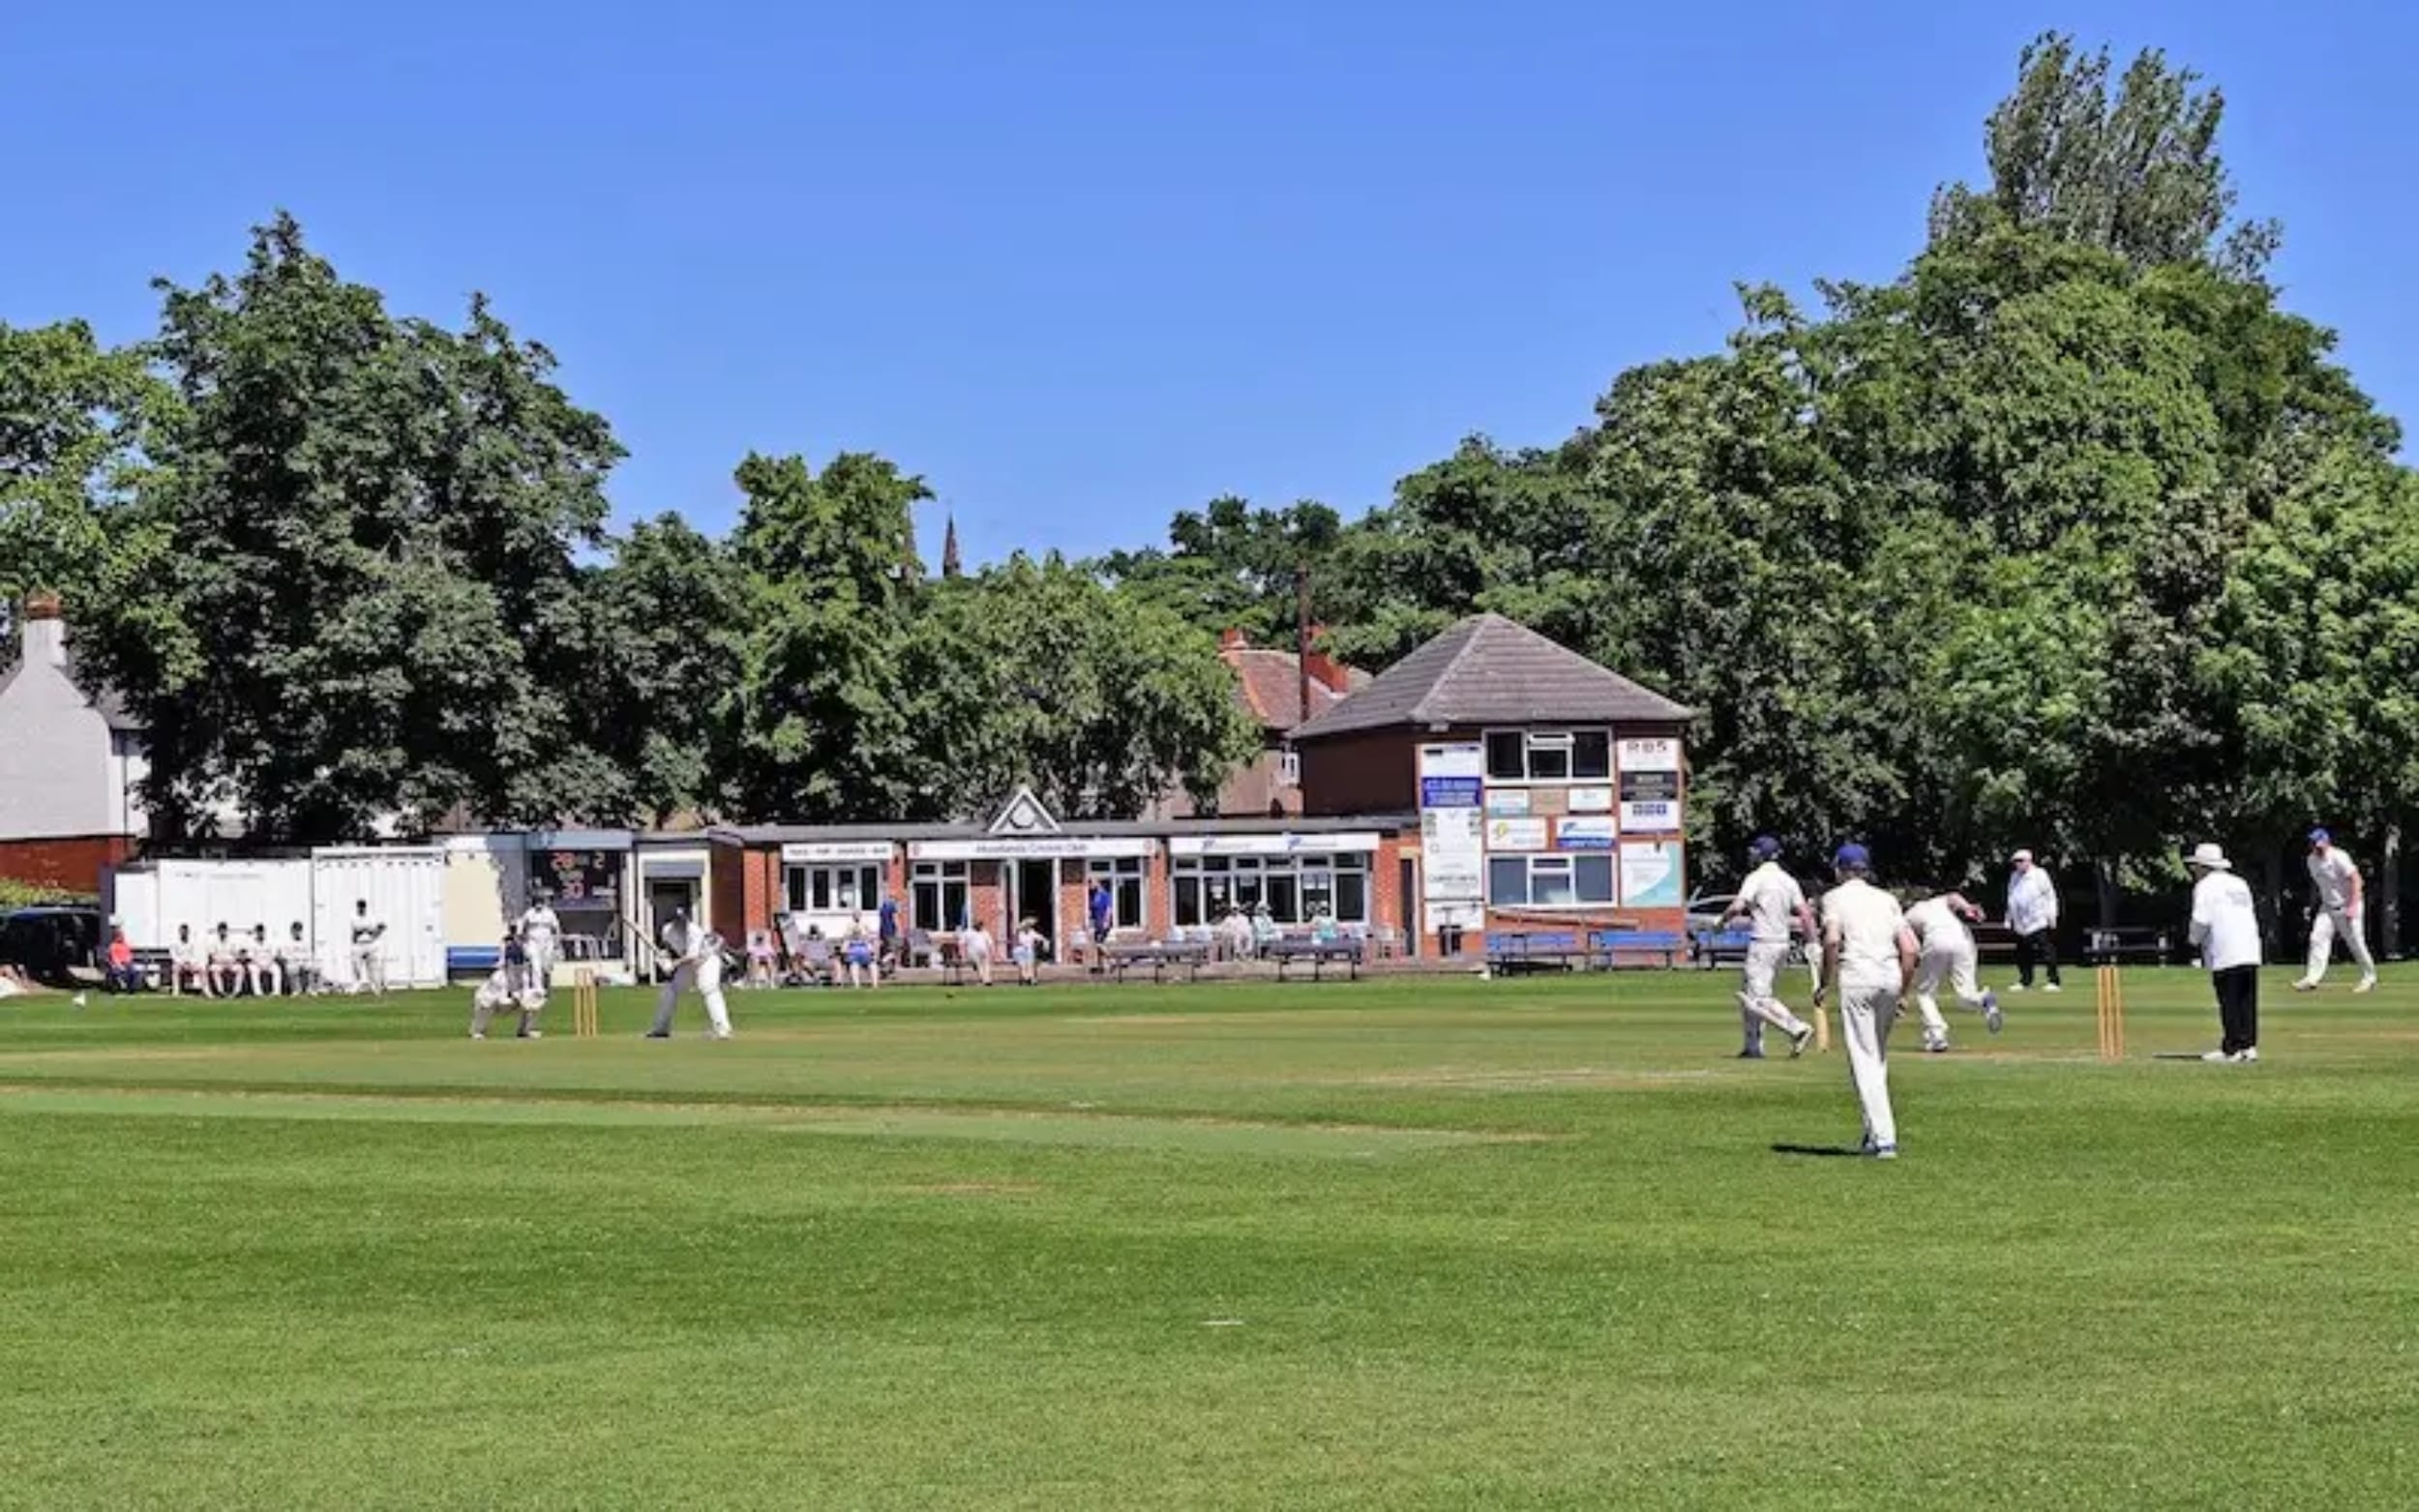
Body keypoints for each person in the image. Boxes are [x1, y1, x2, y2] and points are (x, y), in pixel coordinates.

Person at [1817, 843, 1920, 1160]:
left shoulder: (1834, 898)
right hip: (1889, 977)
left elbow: (1833, 940)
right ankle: (1872, 1134)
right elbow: (1911, 949)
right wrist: (1903, 992)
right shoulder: (1887, 899)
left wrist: (1824, 983)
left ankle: (1885, 1137)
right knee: (1875, 1057)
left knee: (1863, 1059)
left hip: (1858, 978)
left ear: (1840, 870)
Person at [1719, 836, 1819, 1060]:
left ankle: (1796, 1027)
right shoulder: (1789, 880)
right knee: (1750, 993)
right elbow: (1805, 913)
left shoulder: (1756, 878)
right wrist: (1812, 942)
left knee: (1757, 999)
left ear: (1759, 855)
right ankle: (1753, 1047)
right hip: (1782, 944)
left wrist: (1721, 922)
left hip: (1762, 943)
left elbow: (1737, 906)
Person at [2183, 842, 2262, 1063]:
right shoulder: (2239, 883)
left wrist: (2192, 941)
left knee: (2229, 1000)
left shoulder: (2205, 886)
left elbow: (2201, 919)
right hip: (2249, 947)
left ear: (2203, 867)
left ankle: (2232, 1048)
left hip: (2225, 949)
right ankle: (2249, 1046)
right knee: (2247, 999)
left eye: (2195, 866)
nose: (2193, 871)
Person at [1901, 890, 2002, 1052]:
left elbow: (1909, 945)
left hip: (1936, 939)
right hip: (1963, 939)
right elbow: (1954, 896)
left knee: (1925, 993)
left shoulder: (1908, 915)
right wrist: (1968, 907)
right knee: (1965, 994)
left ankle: (1937, 1035)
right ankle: (1984, 999)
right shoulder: (1938, 902)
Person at [2295, 828, 2377, 993]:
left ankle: (2369, 977)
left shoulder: (2339, 856)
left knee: (2355, 943)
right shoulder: (2311, 860)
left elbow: (2356, 880)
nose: (2315, 846)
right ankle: (2312, 978)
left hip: (2348, 904)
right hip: (2327, 907)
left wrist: (2353, 906)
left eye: (2318, 843)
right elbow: (2319, 886)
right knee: (2317, 938)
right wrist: (2311, 906)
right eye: (2312, 843)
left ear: (2326, 841)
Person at [646, 907, 733, 1039]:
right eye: (678, 921)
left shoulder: (694, 931)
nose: (682, 924)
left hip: (707, 960)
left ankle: (723, 1029)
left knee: (709, 989)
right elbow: (666, 948)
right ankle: (661, 1028)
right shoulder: (667, 930)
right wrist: (663, 959)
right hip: (687, 964)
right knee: (670, 990)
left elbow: (692, 957)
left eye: (684, 921)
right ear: (673, 921)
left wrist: (674, 964)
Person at [470, 929, 544, 1040]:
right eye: (514, 963)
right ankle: (478, 1031)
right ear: (508, 963)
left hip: (513, 1002)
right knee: (484, 1002)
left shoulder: (525, 976)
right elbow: (499, 1000)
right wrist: (515, 996)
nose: (518, 967)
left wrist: (531, 996)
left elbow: (529, 994)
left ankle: (526, 1030)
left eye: (521, 963)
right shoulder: (498, 978)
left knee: (535, 999)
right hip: (495, 1004)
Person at [2005, 850, 2062, 993]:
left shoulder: (2040, 874)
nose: (2017, 864)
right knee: (2022, 953)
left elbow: (2050, 895)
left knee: (2047, 951)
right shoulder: (2014, 876)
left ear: (2028, 861)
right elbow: (2011, 898)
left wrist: (2052, 915)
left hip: (2039, 920)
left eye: (2020, 861)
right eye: (2015, 861)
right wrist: (2008, 918)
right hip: (2020, 923)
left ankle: (2053, 980)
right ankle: (2025, 981)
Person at [519, 891, 563, 993]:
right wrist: (524, 942)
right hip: (533, 942)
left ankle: (546, 986)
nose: (538, 905)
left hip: (547, 942)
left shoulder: (549, 913)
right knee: (536, 966)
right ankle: (538, 989)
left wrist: (557, 942)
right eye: (536, 903)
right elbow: (522, 929)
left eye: (540, 902)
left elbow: (556, 927)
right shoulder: (529, 913)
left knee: (546, 966)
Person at [349, 900, 388, 995]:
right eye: (360, 906)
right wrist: (369, 929)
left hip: (371, 944)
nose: (361, 908)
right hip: (358, 944)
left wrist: (375, 930)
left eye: (363, 906)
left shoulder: (371, 916)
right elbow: (357, 928)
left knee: (373, 968)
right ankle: (356, 986)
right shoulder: (354, 917)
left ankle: (376, 988)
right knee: (356, 967)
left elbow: (380, 927)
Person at [171, 924, 211, 997]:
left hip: (190, 964)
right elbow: (174, 956)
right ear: (179, 932)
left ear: (188, 932)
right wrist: (182, 963)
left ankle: (206, 990)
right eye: (182, 931)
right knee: (175, 968)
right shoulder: (174, 943)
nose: (184, 933)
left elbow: (194, 955)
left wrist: (189, 963)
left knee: (202, 969)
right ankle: (176, 991)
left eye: (185, 931)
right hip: (180, 965)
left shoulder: (192, 942)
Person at [842, 914, 880, 990]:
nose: (857, 933)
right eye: (855, 931)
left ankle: (875, 985)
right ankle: (857, 985)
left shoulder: (865, 940)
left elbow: (871, 949)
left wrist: (873, 954)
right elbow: (843, 950)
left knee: (873, 966)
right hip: (854, 958)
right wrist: (847, 954)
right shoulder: (849, 940)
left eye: (858, 932)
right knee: (854, 966)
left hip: (866, 957)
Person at [281, 922, 318, 996]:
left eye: (299, 930)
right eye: (296, 930)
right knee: (292, 968)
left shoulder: (305, 942)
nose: (297, 932)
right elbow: (285, 955)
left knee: (311, 967)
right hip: (293, 962)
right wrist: (296, 960)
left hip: (304, 961)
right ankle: (296, 989)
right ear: (292, 931)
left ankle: (310, 988)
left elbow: (309, 954)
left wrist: (304, 961)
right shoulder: (287, 943)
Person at [246, 925, 284, 997]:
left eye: (262, 931)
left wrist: (268, 963)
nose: (260, 933)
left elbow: (273, 953)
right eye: (258, 932)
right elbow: (251, 956)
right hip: (256, 963)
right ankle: (258, 993)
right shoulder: (251, 942)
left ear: (264, 932)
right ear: (256, 932)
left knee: (277, 969)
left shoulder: (270, 941)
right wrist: (259, 964)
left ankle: (276, 992)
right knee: (254, 971)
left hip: (269, 962)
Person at [208, 924, 244, 998]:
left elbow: (236, 954)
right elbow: (212, 955)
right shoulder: (213, 941)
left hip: (230, 963)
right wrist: (220, 961)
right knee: (214, 969)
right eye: (221, 930)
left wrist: (232, 961)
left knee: (240, 968)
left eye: (224, 930)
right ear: (218, 931)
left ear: (226, 931)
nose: (222, 932)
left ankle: (237, 991)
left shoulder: (232, 941)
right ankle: (220, 991)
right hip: (219, 963)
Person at [963, 916, 997, 987]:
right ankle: (985, 980)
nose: (980, 926)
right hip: (973, 953)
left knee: (985, 965)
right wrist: (963, 955)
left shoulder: (985, 932)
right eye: (979, 924)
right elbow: (962, 944)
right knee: (979, 965)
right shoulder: (968, 932)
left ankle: (986, 980)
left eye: (980, 924)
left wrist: (993, 953)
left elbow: (990, 944)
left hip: (983, 952)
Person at [1088, 881, 1114, 970]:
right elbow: (1092, 911)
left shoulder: (1105, 895)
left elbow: (1109, 909)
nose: (1090, 885)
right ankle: (1101, 966)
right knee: (1098, 944)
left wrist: (1106, 921)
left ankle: (1111, 960)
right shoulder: (1094, 896)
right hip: (1097, 924)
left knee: (1099, 944)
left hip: (1104, 923)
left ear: (1098, 884)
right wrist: (1090, 922)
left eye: (1092, 883)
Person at [105, 930, 140, 994]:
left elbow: (129, 955)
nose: (122, 937)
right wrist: (119, 965)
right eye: (121, 936)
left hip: (127, 963)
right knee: (115, 972)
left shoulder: (125, 945)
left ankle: (131, 988)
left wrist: (128, 961)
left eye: (122, 936)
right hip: (117, 964)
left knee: (133, 972)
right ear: (116, 937)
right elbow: (113, 957)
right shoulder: (113, 946)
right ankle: (114, 988)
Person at [1013, 918, 1045, 986]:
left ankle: (1029, 979)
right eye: (1026, 927)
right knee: (1022, 966)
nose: (1027, 928)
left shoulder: (1031, 932)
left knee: (1029, 966)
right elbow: (1021, 941)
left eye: (1028, 927)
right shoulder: (1020, 933)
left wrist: (1041, 941)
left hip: (1028, 951)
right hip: (1021, 950)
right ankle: (1027, 979)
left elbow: (1039, 937)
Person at [878, 895, 902, 972]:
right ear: (893, 899)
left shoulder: (882, 908)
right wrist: (900, 930)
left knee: (887, 950)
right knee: (895, 950)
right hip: (891, 932)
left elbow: (881, 922)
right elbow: (895, 919)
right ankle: (883, 961)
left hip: (883, 933)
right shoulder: (892, 907)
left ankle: (891, 969)